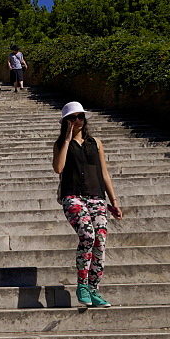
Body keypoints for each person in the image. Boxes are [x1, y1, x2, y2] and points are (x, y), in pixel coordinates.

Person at [52, 101, 123, 308]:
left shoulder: (96, 143)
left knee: (100, 240)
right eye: (72, 118)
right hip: (72, 196)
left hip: (96, 196)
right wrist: (66, 139)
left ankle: (94, 289)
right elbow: (58, 168)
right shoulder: (60, 144)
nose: (77, 121)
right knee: (87, 235)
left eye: (80, 117)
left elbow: (104, 173)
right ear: (65, 121)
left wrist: (114, 201)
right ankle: (82, 284)